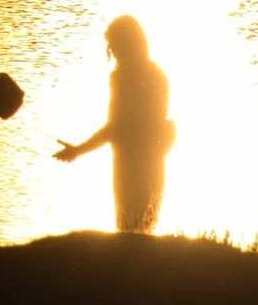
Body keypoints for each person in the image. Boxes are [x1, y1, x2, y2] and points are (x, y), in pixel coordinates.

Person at [54, 15, 174, 233]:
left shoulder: (122, 78)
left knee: (128, 227)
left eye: (115, 44)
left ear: (127, 45)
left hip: (129, 164)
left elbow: (114, 128)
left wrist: (78, 150)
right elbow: (159, 126)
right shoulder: (158, 76)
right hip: (153, 162)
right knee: (145, 228)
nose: (112, 50)